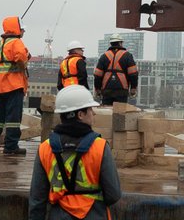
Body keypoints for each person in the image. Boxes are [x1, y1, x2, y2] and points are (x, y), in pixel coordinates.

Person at [29, 84, 122, 220]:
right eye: (90, 109)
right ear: (80, 115)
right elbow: (113, 194)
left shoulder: (45, 148)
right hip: (93, 214)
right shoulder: (100, 147)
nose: (94, 113)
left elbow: (37, 199)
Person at [0, 15, 31, 157]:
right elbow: (20, 57)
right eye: (22, 29)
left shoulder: (1, 43)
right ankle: (11, 147)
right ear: (17, 28)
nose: (23, 32)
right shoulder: (16, 42)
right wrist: (23, 64)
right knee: (13, 119)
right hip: (13, 85)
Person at [93, 37, 137, 107]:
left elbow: (98, 75)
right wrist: (133, 88)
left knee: (107, 111)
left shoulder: (104, 56)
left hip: (107, 90)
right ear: (120, 43)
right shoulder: (127, 55)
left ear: (111, 43)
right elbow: (133, 74)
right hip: (122, 90)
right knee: (120, 111)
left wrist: (98, 89)